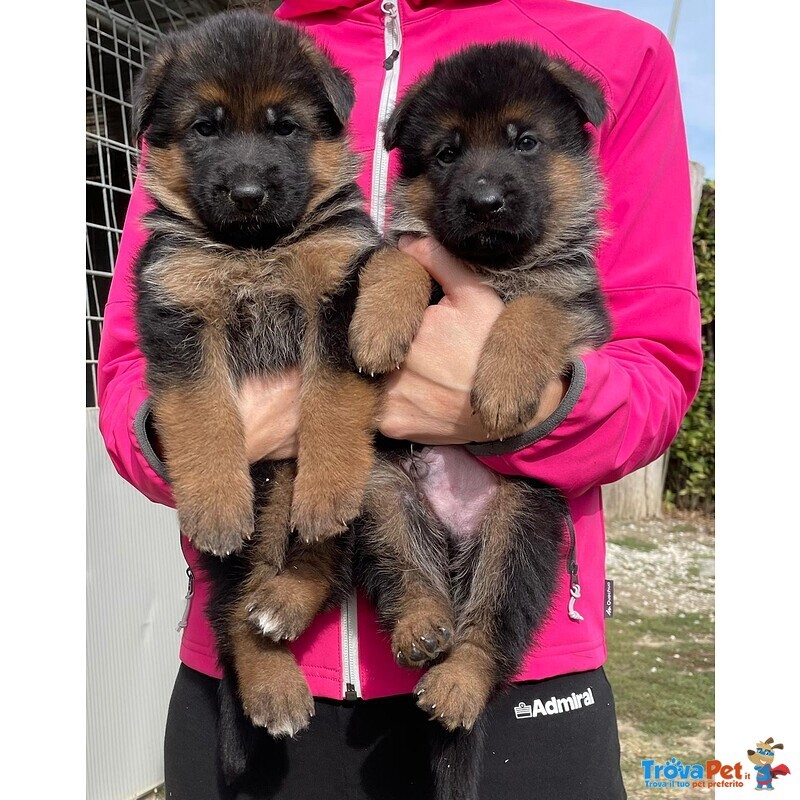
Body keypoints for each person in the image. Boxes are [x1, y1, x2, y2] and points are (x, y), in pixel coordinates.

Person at [97, 1, 703, 797]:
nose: (245, 172)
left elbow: (657, 368)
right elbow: (127, 382)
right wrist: (247, 433)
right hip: (255, 646)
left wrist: (520, 407)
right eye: (447, 152)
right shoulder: (235, 53)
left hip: (524, 684)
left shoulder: (616, 53)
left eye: (523, 143)